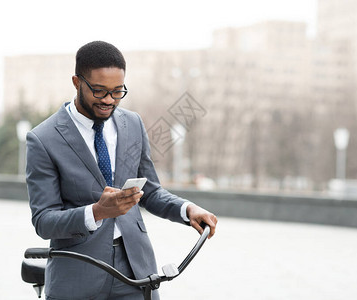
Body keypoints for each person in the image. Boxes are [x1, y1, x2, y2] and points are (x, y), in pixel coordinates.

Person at [26, 41, 218, 300]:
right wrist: (97, 212)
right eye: (99, 91)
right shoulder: (43, 139)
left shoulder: (133, 124)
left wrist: (187, 210)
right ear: (76, 82)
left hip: (136, 274)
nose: (109, 100)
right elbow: (44, 221)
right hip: (78, 274)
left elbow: (149, 191)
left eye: (118, 92)